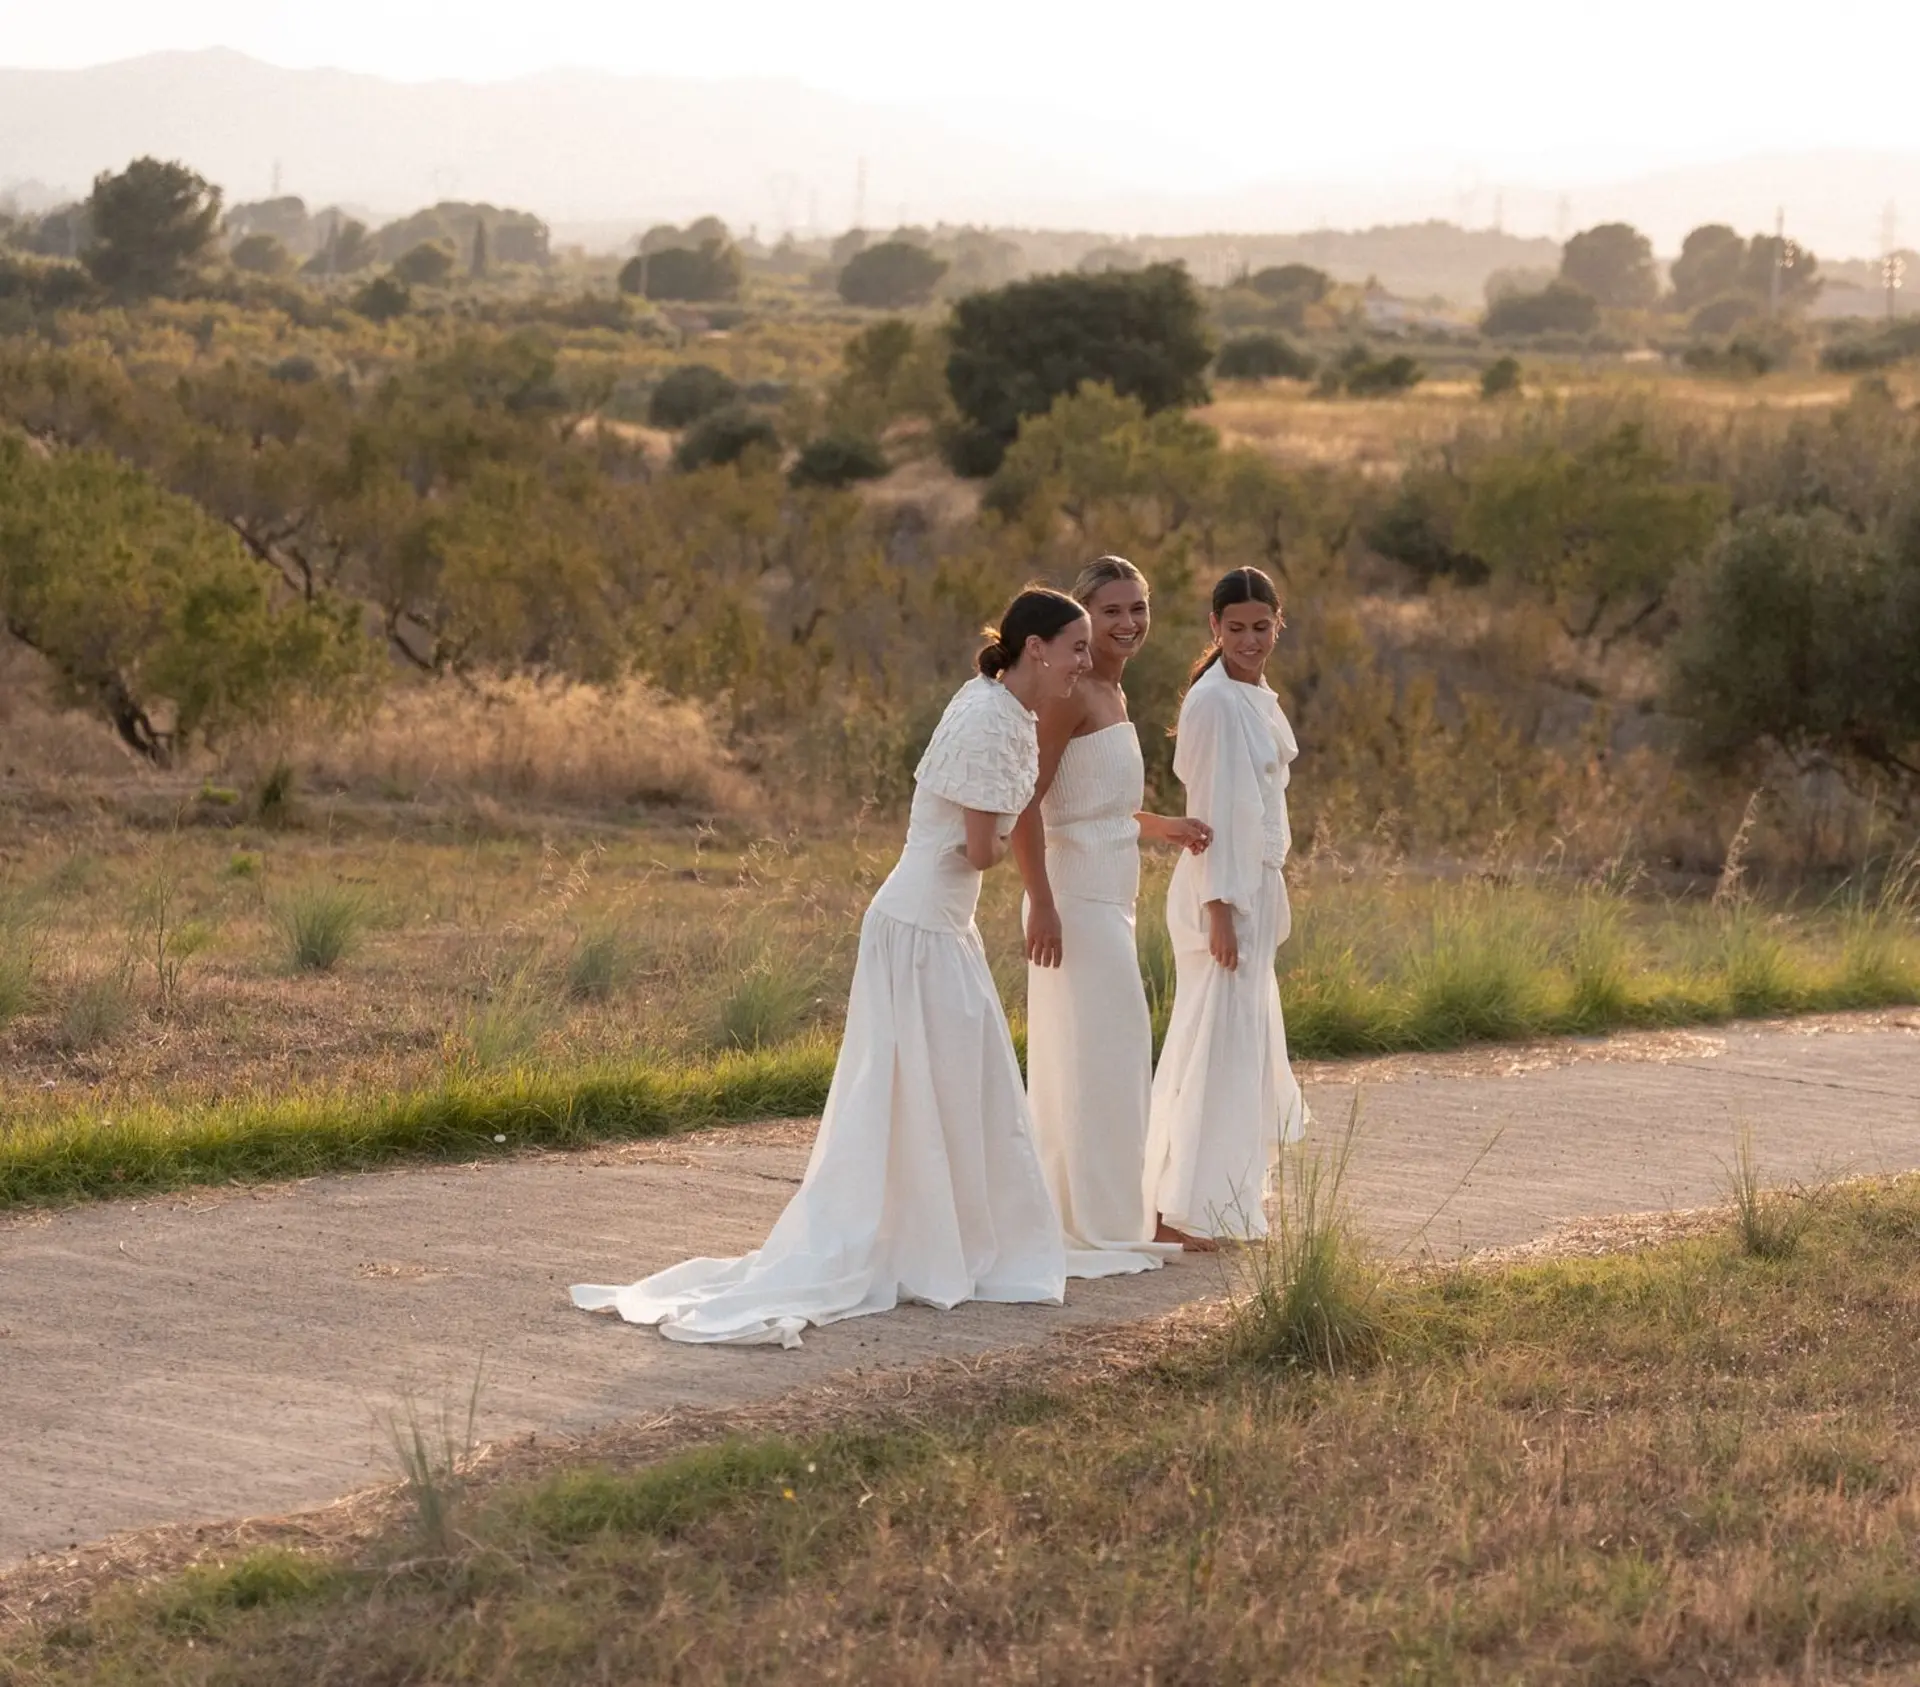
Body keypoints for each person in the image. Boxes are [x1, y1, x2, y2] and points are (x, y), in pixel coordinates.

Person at [572, 587, 1156, 1348]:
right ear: (1036, 649)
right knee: (915, 1086)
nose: (1086, 658)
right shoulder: (989, 717)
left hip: (941, 925)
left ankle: (944, 1239)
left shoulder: (1004, 709)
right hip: (918, 927)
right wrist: (1024, 827)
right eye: (1076, 645)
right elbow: (981, 850)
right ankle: (911, 1245)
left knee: (956, 1085)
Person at [1012, 556, 1213, 1255]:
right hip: (1073, 904)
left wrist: (1165, 827)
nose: (1128, 623)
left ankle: (1117, 1212)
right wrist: (1041, 903)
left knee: (1106, 1064)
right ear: (1083, 617)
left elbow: (1094, 806)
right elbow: (1026, 804)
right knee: (1111, 1064)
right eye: (1111, 612)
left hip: (1110, 899)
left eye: (1138, 608)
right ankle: (1118, 1222)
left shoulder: (1114, 693)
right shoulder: (1070, 695)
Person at [1141, 566, 1308, 1247]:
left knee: (1241, 1047)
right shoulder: (1212, 702)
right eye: (1235, 628)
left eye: (1261, 627)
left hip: (1254, 885)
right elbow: (1209, 808)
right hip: (1222, 890)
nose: (1249, 640)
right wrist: (1218, 908)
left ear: (1278, 625)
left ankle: (1220, 1197)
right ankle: (1177, 1207)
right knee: (1210, 1043)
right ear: (1214, 627)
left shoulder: (1256, 696)